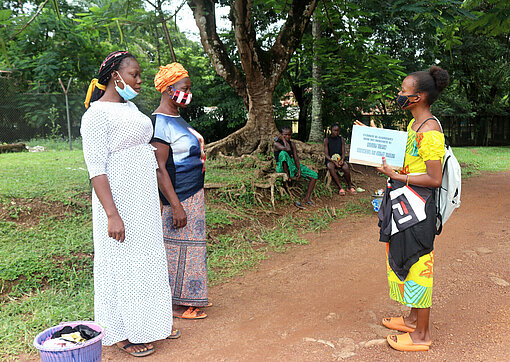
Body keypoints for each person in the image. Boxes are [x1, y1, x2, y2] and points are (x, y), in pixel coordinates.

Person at [81, 51, 179, 357]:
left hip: (143, 202)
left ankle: (152, 323)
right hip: (119, 202)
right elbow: (96, 169)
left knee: (147, 261)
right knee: (122, 265)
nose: (139, 81)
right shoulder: (96, 115)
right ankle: (124, 334)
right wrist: (112, 215)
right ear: (115, 76)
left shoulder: (132, 107)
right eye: (134, 75)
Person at [356, 66, 449, 352]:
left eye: (403, 92)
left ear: (418, 97)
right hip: (406, 205)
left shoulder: (430, 131)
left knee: (419, 263)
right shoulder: (414, 126)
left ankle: (422, 335)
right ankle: (411, 320)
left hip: (419, 209)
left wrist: (398, 177)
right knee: (405, 259)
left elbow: (434, 179)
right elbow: (410, 163)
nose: (399, 95)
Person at [150, 63, 209, 320]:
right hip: (178, 196)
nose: (188, 93)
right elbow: (160, 168)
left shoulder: (177, 118)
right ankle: (175, 304)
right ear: (168, 88)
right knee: (175, 250)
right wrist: (175, 205)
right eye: (184, 88)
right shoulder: (159, 123)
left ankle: (188, 298)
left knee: (191, 249)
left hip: (193, 193)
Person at [274, 126, 318, 207]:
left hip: (292, 164)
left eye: (289, 135)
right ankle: (288, 175)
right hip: (282, 167)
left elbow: (296, 158)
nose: (287, 137)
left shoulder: (292, 144)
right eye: (285, 135)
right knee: (283, 154)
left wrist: (299, 170)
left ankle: (307, 198)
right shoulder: (276, 143)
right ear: (280, 135)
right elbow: (286, 149)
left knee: (314, 176)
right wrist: (283, 140)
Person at [324, 123, 356, 195]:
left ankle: (349, 187)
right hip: (331, 160)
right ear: (331, 130)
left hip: (340, 159)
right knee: (330, 166)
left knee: (346, 167)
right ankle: (340, 188)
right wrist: (334, 161)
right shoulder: (327, 140)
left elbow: (343, 152)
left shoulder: (341, 139)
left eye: (338, 131)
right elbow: (326, 155)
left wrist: (342, 160)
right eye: (334, 130)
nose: (336, 132)